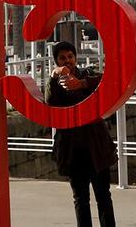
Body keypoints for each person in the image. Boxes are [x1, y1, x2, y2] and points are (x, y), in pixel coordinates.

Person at [46, 41, 116, 227]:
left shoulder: (87, 74)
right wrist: (53, 78)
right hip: (73, 150)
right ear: (56, 61)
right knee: (80, 199)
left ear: (76, 58)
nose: (67, 61)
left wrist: (81, 84)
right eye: (62, 58)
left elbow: (106, 81)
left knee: (104, 196)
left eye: (70, 56)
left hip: (96, 147)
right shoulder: (55, 83)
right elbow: (50, 104)